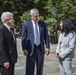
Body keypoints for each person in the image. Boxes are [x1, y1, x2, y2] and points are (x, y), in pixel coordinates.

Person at [21, 8, 50, 75]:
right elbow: (23, 38)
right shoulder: (26, 25)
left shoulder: (42, 24)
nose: (37, 17)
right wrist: (24, 49)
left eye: (38, 15)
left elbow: (46, 36)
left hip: (40, 49)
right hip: (30, 49)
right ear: (31, 16)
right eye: (36, 16)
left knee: (40, 68)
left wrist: (48, 47)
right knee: (30, 68)